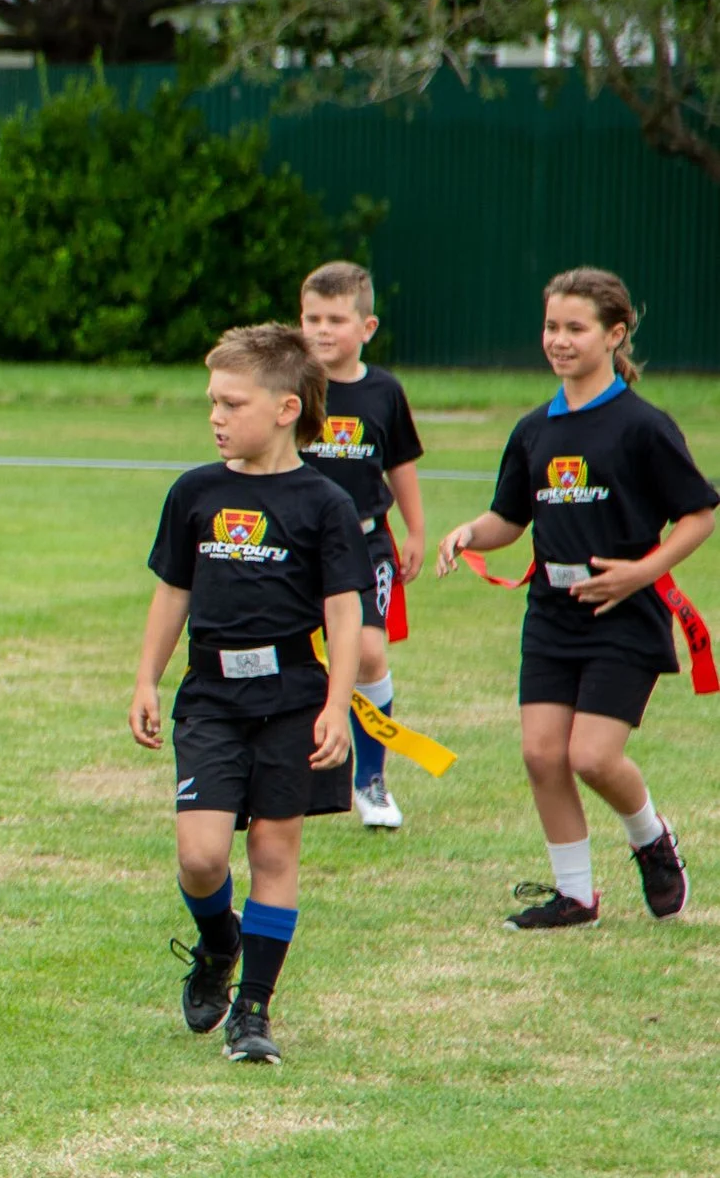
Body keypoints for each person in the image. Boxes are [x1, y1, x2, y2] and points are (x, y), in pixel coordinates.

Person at [439, 268, 712, 930]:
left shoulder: (642, 426)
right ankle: (576, 897)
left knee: (590, 756)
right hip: (552, 615)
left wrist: (640, 573)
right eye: (551, 328)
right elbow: (510, 518)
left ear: (614, 335)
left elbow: (700, 514)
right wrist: (470, 533)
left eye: (575, 328)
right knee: (540, 753)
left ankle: (651, 839)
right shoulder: (534, 431)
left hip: (624, 613)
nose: (559, 341)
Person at [131, 325, 371, 1065]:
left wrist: (337, 704)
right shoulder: (196, 492)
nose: (216, 415)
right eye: (212, 401)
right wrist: (147, 677)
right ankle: (217, 945)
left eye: (232, 402)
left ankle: (254, 1012)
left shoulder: (323, 503)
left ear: (284, 408)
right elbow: (173, 591)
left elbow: (344, 612)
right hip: (210, 695)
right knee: (201, 856)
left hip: (294, 696)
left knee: (274, 847)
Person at [297, 263, 427, 829]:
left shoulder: (384, 391)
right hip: (294, 547)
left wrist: (416, 532)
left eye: (336, 319)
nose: (322, 330)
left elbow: (399, 463)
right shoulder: (288, 384)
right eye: (311, 318)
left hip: (364, 546)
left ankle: (371, 779)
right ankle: (292, 768)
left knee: (368, 653)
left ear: (367, 326)